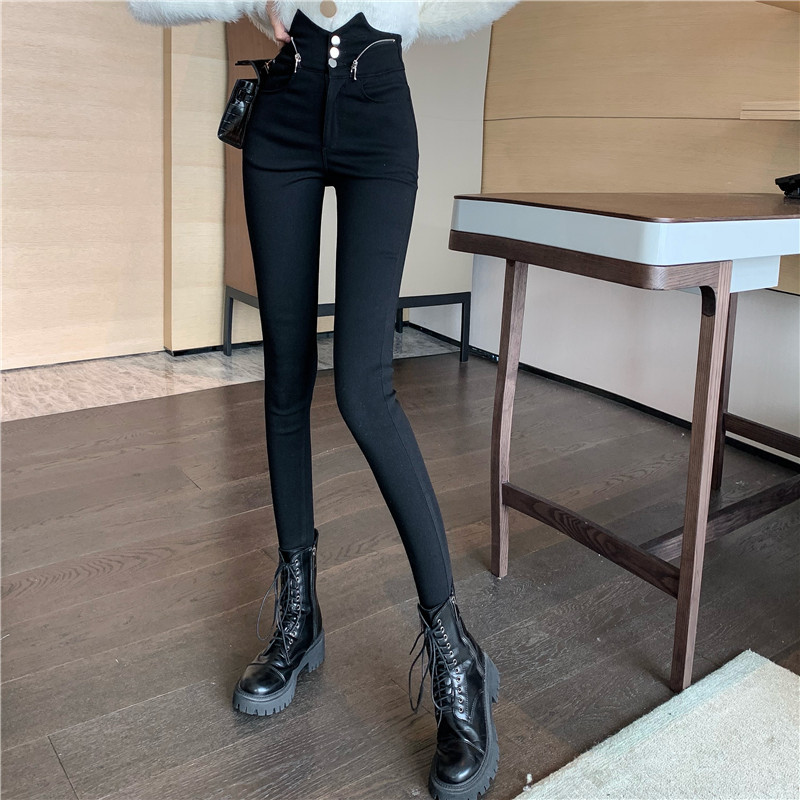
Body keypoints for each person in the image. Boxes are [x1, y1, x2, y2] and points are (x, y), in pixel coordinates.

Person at [127, 3, 519, 799]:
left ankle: (457, 653)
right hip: (284, 110)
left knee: (364, 391)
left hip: (379, 108)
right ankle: (299, 618)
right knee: (285, 378)